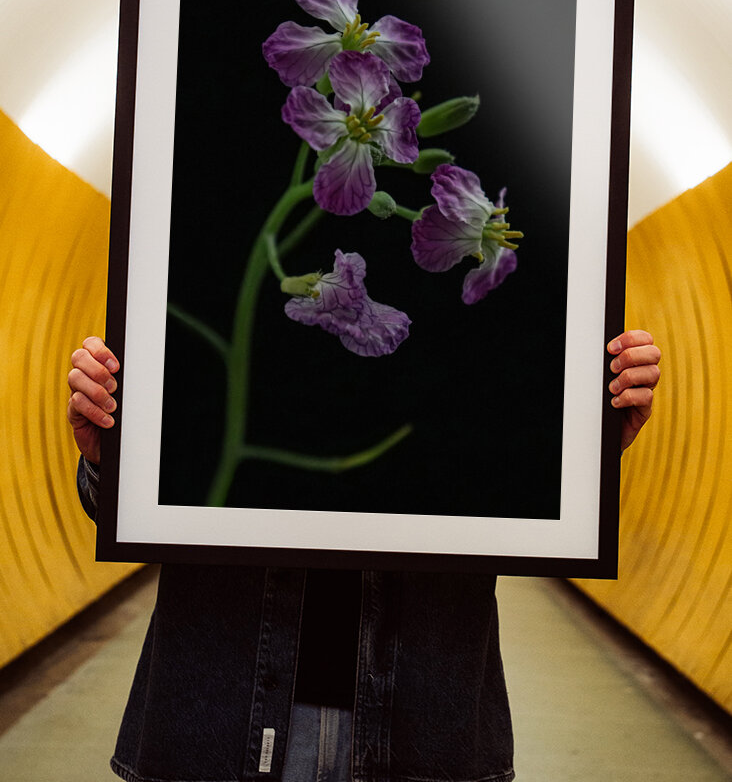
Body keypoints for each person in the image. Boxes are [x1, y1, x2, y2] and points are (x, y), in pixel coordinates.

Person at [68, 330, 661, 782]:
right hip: (219, 717)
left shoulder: (470, 354)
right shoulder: (233, 326)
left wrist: (586, 451)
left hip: (423, 724)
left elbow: (511, 485)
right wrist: (109, 458)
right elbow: (134, 503)